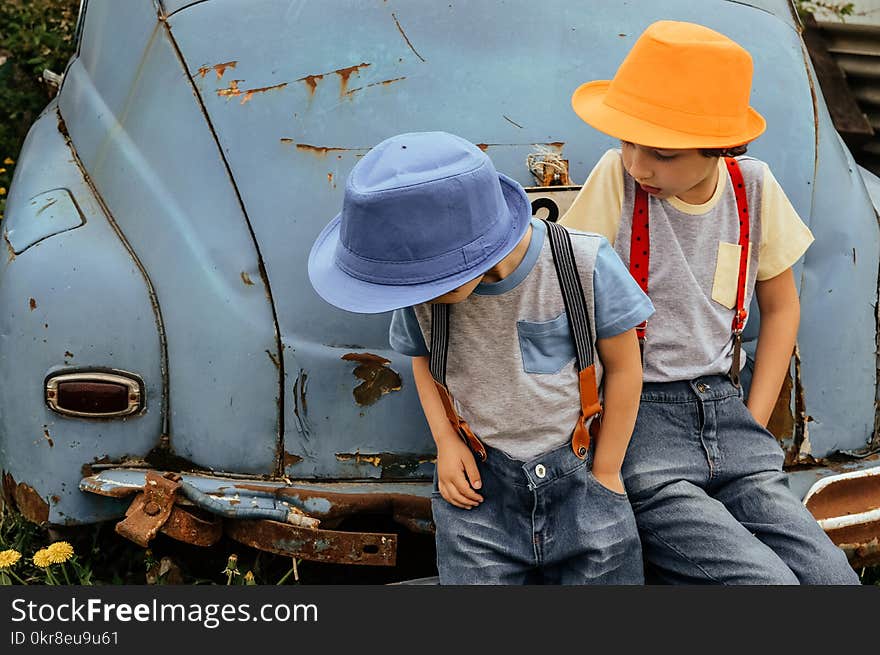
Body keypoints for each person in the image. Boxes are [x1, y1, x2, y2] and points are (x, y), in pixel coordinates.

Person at [560, 20, 859, 584]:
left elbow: (782, 305)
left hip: (730, 417)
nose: (637, 164)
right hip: (642, 423)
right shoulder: (615, 182)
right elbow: (564, 300)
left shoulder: (754, 187)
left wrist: (755, 417)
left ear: (722, 146)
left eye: (662, 153)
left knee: (833, 580)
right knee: (764, 584)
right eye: (627, 141)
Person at [308, 131, 654, 584]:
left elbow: (627, 367)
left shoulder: (581, 263)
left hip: (583, 479)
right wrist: (447, 443)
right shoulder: (420, 294)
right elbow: (423, 361)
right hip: (479, 495)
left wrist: (608, 469)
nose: (413, 295)